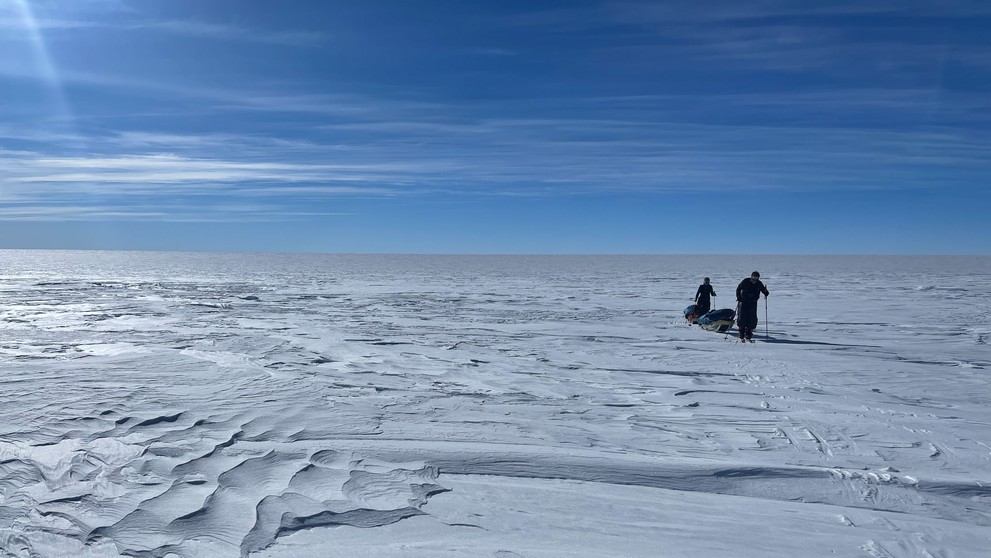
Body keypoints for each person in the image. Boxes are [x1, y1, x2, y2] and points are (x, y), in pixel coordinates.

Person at [735, 271, 769, 341]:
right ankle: (741, 333)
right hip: (743, 302)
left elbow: (763, 290)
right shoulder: (745, 281)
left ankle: (749, 333)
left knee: (752, 318)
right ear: (751, 277)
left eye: (756, 279)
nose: (754, 280)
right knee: (742, 318)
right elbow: (738, 289)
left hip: (753, 302)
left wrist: (766, 292)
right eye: (753, 278)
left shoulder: (759, 283)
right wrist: (738, 297)